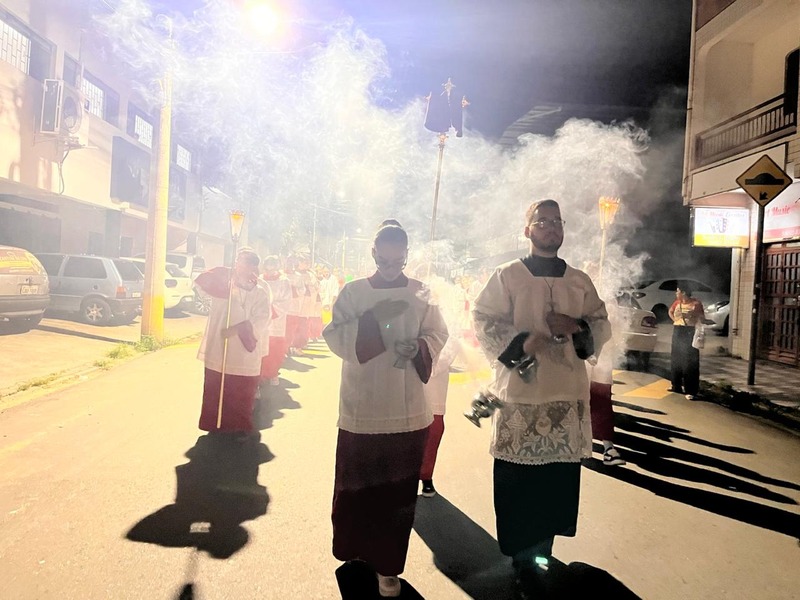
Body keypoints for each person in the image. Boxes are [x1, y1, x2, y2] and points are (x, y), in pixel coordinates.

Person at [472, 199, 611, 591]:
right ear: (527, 230)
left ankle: (542, 553)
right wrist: (521, 343)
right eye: (542, 221)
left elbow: (601, 323)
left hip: (565, 395)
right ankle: (522, 560)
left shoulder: (579, 280)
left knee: (554, 483)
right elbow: (482, 318)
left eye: (557, 221)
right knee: (518, 484)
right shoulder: (508, 276)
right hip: (520, 394)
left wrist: (577, 326)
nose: (551, 227)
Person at [323, 222, 448, 598]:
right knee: (355, 491)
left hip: (406, 410)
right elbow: (334, 335)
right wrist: (374, 322)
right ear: (373, 253)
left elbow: (438, 333)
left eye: (398, 259)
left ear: (407, 254)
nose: (391, 266)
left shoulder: (422, 292)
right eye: (384, 259)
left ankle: (388, 567)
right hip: (361, 409)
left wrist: (421, 346)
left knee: (396, 498)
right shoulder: (354, 292)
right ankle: (355, 553)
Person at [195, 248, 272, 438]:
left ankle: (237, 427)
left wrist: (238, 330)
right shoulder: (223, 285)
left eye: (245, 262)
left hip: (243, 350)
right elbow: (200, 287)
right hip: (220, 347)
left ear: (253, 267)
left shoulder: (260, 292)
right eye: (239, 261)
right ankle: (214, 423)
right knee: (216, 388)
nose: (241, 265)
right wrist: (219, 274)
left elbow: (263, 318)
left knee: (240, 391)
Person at [668, 284, 705, 400]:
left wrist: (698, 325)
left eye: (678, 291)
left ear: (683, 292)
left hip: (689, 331)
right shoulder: (677, 303)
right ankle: (676, 385)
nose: (676, 293)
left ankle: (691, 390)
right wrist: (676, 320)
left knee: (690, 361)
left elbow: (701, 318)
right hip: (677, 331)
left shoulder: (696, 304)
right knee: (676, 358)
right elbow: (670, 311)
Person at [260, 255, 293, 386]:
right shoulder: (260, 280)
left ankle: (273, 373)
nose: (270, 271)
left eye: (272, 267)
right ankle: (261, 375)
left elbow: (286, 300)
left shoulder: (283, 281)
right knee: (261, 348)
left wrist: (271, 309)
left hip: (276, 320)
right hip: (260, 319)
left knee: (275, 349)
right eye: (267, 268)